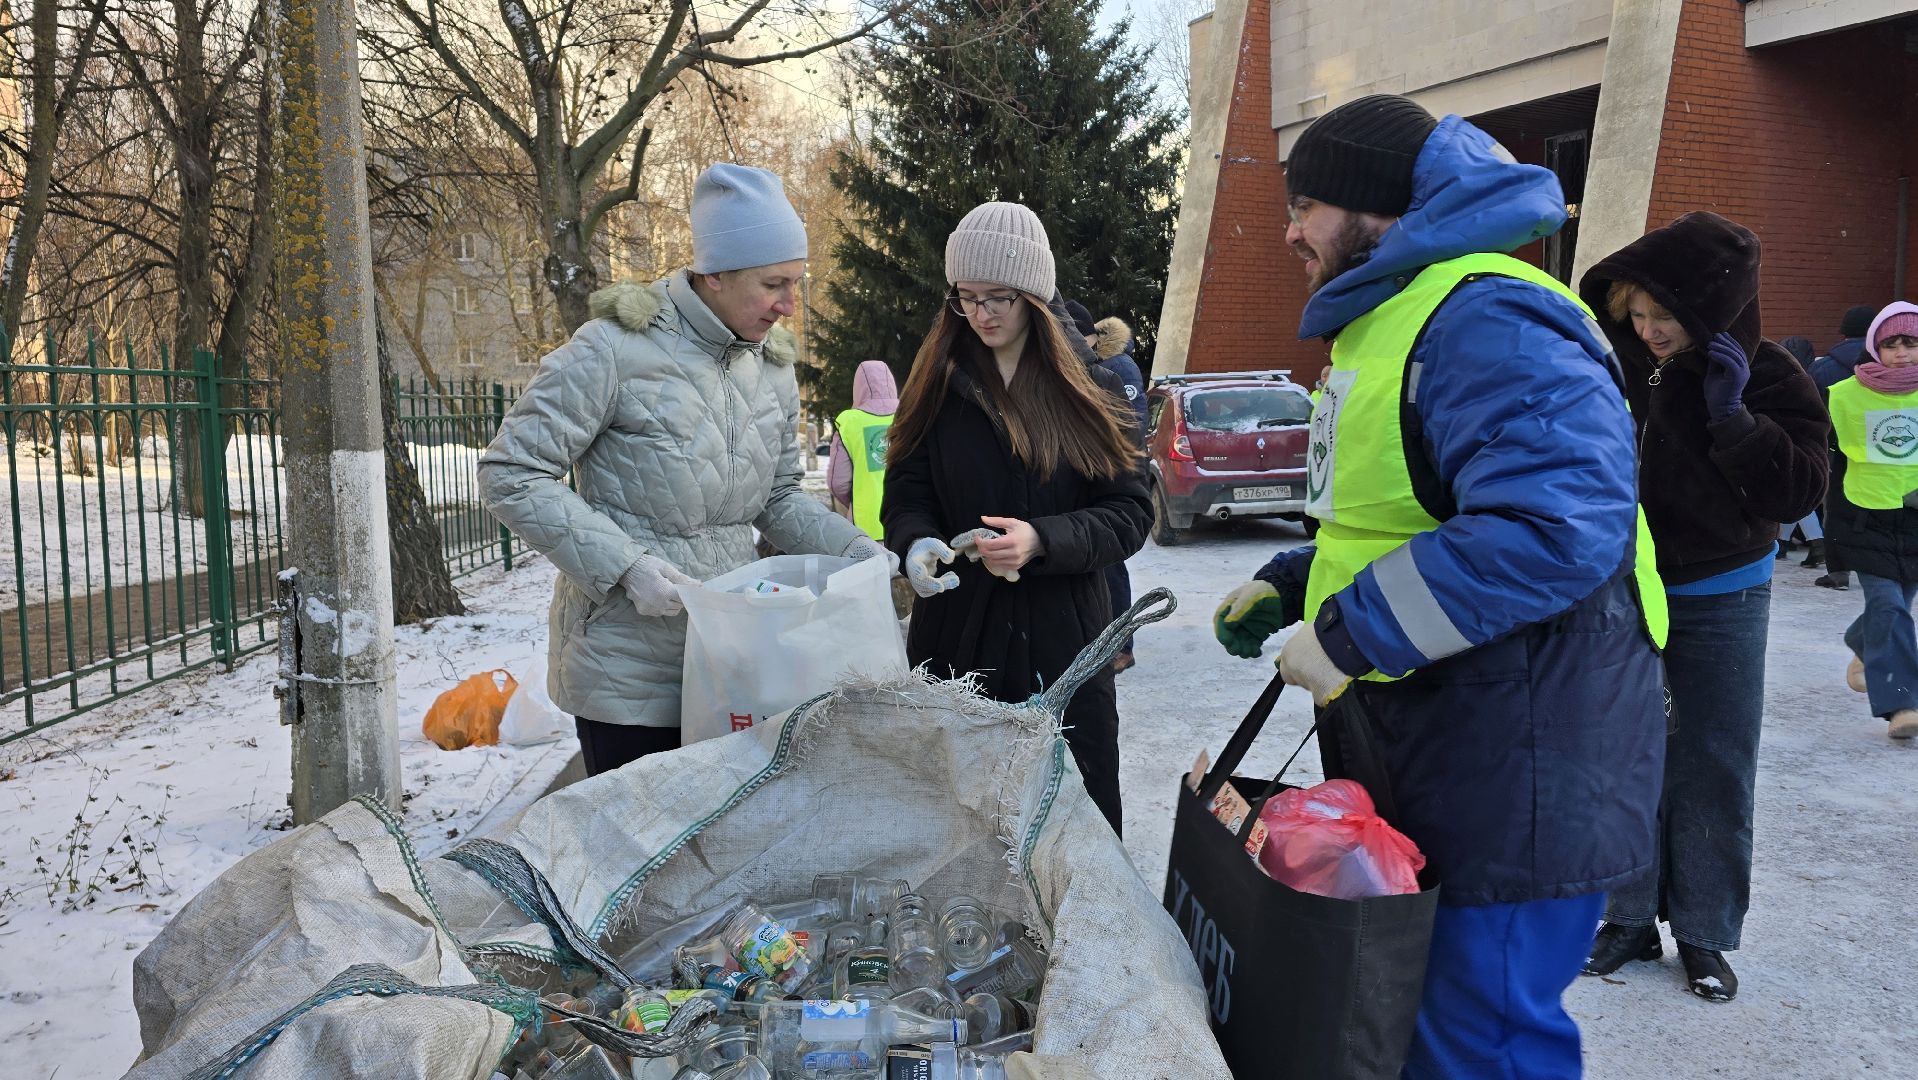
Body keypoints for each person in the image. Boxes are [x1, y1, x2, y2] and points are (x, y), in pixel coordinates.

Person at [1209, 95, 1666, 1077]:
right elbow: (1412, 514)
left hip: (1518, 768)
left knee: (1481, 1042)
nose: (1289, 228)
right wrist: (1298, 582)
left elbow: (1553, 526)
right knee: (1418, 1031)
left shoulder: (1485, 314)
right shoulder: (1391, 324)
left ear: (1378, 207)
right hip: (1445, 750)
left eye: (1309, 203)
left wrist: (1351, 632)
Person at [478, 164, 893, 776]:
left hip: (732, 655)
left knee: (724, 855)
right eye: (773, 284)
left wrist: (863, 553)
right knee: (642, 858)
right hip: (628, 666)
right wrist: (627, 567)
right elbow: (512, 472)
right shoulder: (613, 347)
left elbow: (776, 498)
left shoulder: (771, 366)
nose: (788, 305)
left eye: (794, 283)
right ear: (716, 273)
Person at [1578, 211, 1830, 1002]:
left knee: (1713, 761)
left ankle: (1705, 933)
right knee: (1623, 754)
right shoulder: (1617, 367)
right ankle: (1625, 917)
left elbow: (1799, 491)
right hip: (1625, 588)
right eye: (1637, 315)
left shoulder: (1772, 375)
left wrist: (1734, 418)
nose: (1649, 331)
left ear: (1712, 309)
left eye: (1666, 316)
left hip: (1723, 592)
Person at [882, 202, 1150, 837]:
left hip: (1062, 646)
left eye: (998, 296)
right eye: (965, 298)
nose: (980, 314)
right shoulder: (938, 383)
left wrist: (1042, 540)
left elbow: (1129, 513)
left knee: (1072, 827)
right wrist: (915, 540)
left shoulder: (1092, 387)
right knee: (960, 828)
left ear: (1034, 293)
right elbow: (907, 489)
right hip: (955, 641)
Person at [1825, 301, 1918, 740]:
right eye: (1892, 344)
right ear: (1875, 348)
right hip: (1864, 516)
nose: (1902, 352)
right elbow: (1818, 448)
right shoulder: (1842, 393)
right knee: (1889, 606)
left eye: (1911, 343)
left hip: (1915, 520)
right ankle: (1902, 702)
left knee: (1895, 606)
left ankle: (1862, 640)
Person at [1071, 301, 1149, 674]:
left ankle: (1122, 646)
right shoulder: (1095, 364)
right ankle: (1106, 641)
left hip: (1111, 482)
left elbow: (1128, 428)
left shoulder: (1117, 368)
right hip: (1094, 483)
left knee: (1113, 569)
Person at [1812, 308, 1881, 589]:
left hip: (1836, 450)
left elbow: (1810, 412)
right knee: (1880, 511)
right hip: (1882, 451)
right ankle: (1878, 568)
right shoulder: (1890, 368)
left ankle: (1838, 572)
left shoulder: (1822, 367)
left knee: (1836, 512)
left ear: (1843, 332)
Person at [828, 361, 900, 539]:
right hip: (913, 526)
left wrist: (856, 503)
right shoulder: (912, 414)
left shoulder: (849, 423)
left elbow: (838, 483)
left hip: (868, 528)